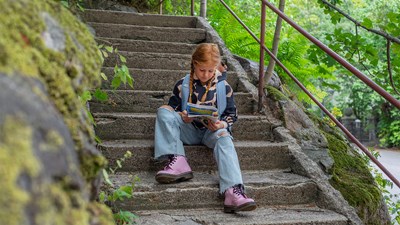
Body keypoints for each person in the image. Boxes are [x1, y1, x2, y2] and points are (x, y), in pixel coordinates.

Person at [153, 43, 256, 213]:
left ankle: (233, 192)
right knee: (163, 111)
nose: (206, 74)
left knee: (224, 136)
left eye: (210, 70)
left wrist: (220, 124)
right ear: (194, 64)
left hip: (211, 132)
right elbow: (173, 109)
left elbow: (231, 115)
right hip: (188, 130)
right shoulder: (183, 84)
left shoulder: (224, 87)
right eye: (202, 70)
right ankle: (178, 161)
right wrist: (182, 116)